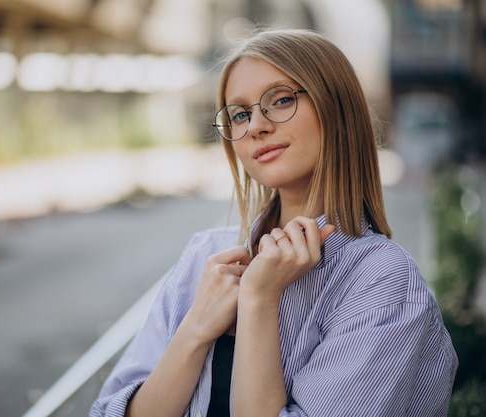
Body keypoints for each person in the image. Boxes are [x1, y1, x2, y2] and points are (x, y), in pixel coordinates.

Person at [90, 28, 458, 417]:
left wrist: (259, 299)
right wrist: (196, 329)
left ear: (336, 108)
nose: (256, 127)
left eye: (280, 100)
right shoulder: (206, 255)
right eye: (239, 114)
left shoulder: (382, 280)